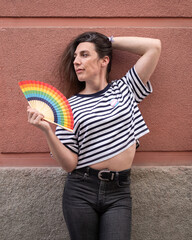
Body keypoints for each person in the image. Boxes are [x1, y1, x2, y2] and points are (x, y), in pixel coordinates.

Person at [27, 31, 161, 240]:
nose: (77, 62)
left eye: (84, 55)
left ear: (104, 60)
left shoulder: (125, 89)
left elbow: (154, 47)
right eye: (75, 58)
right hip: (81, 190)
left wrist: (108, 42)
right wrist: (47, 131)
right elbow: (70, 164)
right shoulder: (68, 107)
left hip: (119, 191)